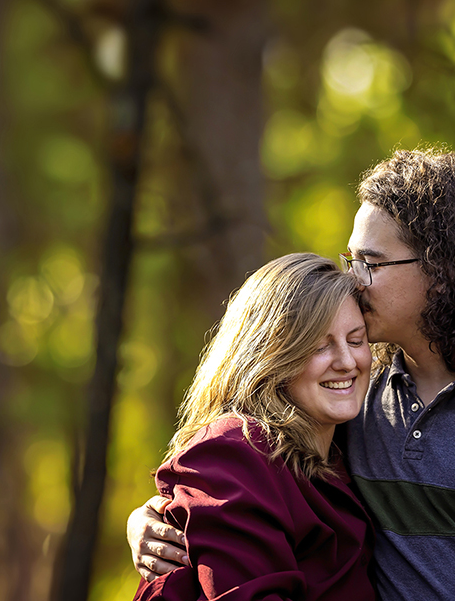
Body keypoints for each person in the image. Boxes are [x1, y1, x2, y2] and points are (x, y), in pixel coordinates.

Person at [128, 149, 455, 601]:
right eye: (351, 259)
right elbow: (246, 482)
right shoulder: (358, 402)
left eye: (370, 263)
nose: (352, 279)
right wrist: (154, 520)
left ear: (446, 271)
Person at [135, 253, 376, 600]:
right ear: (272, 355)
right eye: (320, 346)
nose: (347, 361)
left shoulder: (350, 447)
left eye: (356, 340)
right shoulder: (231, 453)